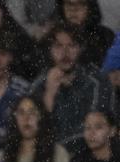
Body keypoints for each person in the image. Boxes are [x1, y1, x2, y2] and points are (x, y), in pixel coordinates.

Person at [29, 22, 115, 153]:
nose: (65, 52)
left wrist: (62, 150)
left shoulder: (97, 82)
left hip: (88, 154)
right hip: (50, 156)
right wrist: (50, 92)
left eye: (72, 45)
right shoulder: (39, 84)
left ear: (80, 49)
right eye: (58, 46)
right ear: (49, 50)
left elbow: (98, 130)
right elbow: (34, 131)